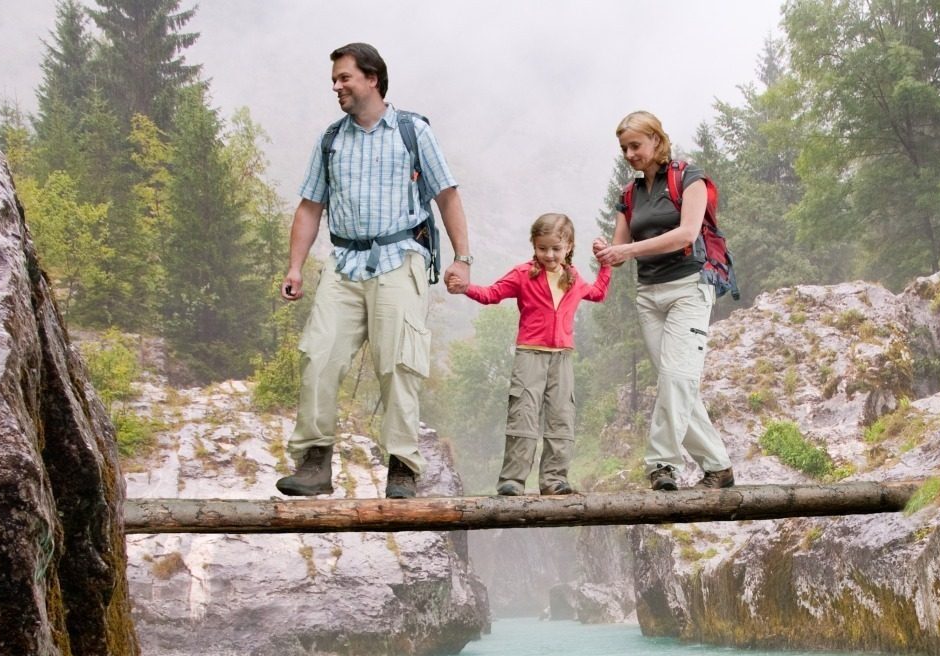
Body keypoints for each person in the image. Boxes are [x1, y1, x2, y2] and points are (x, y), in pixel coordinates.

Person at [275, 42, 476, 499]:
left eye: (344, 77)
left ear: (372, 78)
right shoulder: (330, 140)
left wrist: (463, 258)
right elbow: (309, 208)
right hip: (343, 264)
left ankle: (402, 466)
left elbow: (447, 194)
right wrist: (295, 267)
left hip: (398, 257)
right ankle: (313, 464)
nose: (337, 86)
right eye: (334, 79)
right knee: (318, 355)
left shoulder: (411, 131)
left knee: (398, 362)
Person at [593, 111, 733, 492]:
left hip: (689, 286)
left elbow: (686, 233)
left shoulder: (690, 178)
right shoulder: (630, 194)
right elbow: (620, 248)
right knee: (676, 383)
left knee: (677, 378)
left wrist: (628, 249)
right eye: (624, 148)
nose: (629, 154)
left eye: (635, 145)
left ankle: (661, 464)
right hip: (648, 295)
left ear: (656, 140)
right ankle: (718, 467)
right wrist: (607, 251)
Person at [462, 214, 612, 496]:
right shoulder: (522, 274)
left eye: (556, 248)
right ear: (534, 245)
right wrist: (465, 287)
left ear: (569, 246)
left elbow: (598, 293)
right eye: (543, 248)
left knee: (561, 415)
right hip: (530, 354)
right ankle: (513, 480)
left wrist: (605, 264)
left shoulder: (574, 278)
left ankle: (554, 480)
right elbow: (492, 294)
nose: (549, 254)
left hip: (563, 358)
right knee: (523, 414)